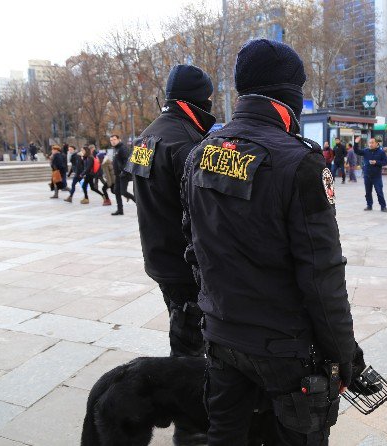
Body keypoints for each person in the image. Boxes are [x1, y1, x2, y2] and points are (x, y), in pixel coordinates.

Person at [182, 39, 356, 445]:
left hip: (222, 335)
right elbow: (322, 275)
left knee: (225, 437)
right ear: (290, 94)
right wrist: (343, 354)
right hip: (286, 349)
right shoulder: (300, 162)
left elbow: (193, 248)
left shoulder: (199, 154)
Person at [126, 63, 216, 367]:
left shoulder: (147, 136)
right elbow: (203, 214)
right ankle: (187, 403)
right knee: (189, 349)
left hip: (159, 256)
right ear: (199, 100)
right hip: (184, 264)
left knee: (182, 327)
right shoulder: (186, 143)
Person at [354, 136, 387, 212]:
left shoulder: (381, 152)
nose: (370, 144)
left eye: (372, 142)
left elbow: (385, 162)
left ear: (377, 143)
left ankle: (383, 207)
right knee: (368, 192)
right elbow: (356, 151)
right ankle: (369, 205)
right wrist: (356, 143)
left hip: (377, 176)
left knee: (379, 191)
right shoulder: (366, 151)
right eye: (369, 142)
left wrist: (376, 162)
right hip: (367, 175)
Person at [109, 134, 135, 215]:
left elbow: (127, 161)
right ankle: (120, 210)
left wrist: (124, 172)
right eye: (111, 140)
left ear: (119, 139)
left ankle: (139, 203)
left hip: (124, 175)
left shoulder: (122, 148)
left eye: (114, 139)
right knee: (116, 192)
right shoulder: (115, 149)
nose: (113, 141)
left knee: (123, 192)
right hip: (117, 175)